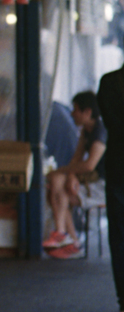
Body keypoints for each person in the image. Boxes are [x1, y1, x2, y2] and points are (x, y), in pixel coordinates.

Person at [43, 91, 107, 260]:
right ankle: (65, 236)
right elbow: (76, 159)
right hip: (87, 181)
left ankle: (68, 238)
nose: (72, 114)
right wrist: (70, 174)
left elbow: (89, 165)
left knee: (58, 191)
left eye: (75, 110)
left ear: (87, 112)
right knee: (57, 184)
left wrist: (63, 172)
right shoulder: (85, 131)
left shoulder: (101, 132)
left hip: (101, 185)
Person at [97, 65, 124, 312]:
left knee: (118, 233)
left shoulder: (108, 83)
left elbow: (109, 122)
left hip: (117, 163)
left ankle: (123, 299)